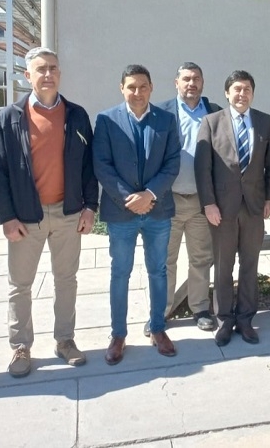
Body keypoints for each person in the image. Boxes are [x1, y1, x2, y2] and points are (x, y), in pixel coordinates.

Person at [0, 47, 98, 378]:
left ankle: (65, 341)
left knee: (67, 281)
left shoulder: (77, 115)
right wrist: (7, 216)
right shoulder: (9, 118)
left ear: (59, 73)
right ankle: (20, 346)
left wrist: (90, 207)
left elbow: (89, 167)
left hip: (67, 214)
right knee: (20, 285)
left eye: (53, 68)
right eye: (40, 69)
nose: (47, 74)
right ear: (27, 75)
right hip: (25, 217)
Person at [93, 64, 181, 362]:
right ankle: (118, 334)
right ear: (122, 88)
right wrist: (129, 199)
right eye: (131, 86)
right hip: (122, 213)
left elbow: (172, 163)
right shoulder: (106, 120)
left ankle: (158, 328)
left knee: (158, 271)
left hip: (158, 210)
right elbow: (102, 165)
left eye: (143, 86)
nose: (137, 92)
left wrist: (150, 195)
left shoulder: (167, 120)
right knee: (120, 273)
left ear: (151, 87)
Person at [195, 70, 270, 346]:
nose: (242, 94)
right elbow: (202, 168)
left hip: (254, 207)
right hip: (222, 209)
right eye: (237, 89)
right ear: (227, 93)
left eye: (247, 89)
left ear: (253, 93)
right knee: (223, 266)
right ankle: (225, 320)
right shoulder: (211, 122)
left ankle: (245, 319)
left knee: (250, 265)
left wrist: (269, 198)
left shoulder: (265, 122)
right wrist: (208, 203)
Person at [158, 62, 221, 332]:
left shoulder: (216, 112)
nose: (191, 83)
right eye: (186, 79)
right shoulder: (160, 113)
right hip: (168, 200)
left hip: (200, 201)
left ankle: (199, 308)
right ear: (176, 83)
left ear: (203, 83)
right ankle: (160, 311)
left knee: (201, 258)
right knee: (163, 260)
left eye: (196, 78)